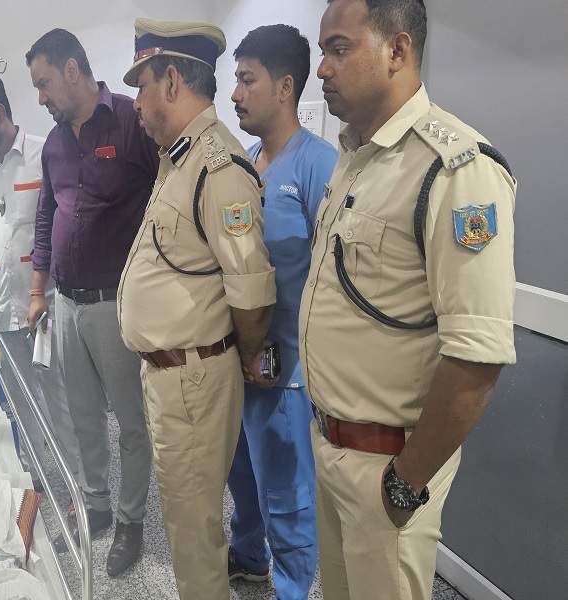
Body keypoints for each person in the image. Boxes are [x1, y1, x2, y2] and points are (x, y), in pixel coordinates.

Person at [302, 1, 516, 598]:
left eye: (339, 49)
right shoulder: (354, 157)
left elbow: (477, 355)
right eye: (322, 51)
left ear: (397, 50)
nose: (322, 68)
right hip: (330, 449)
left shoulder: (455, 170)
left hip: (386, 471)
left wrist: (404, 484)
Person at [118, 18, 277, 599]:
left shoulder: (217, 169)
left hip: (192, 377)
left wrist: (244, 354)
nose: (137, 103)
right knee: (188, 523)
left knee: (193, 534)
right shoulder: (179, 160)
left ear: (171, 81)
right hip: (174, 375)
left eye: (142, 87)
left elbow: (251, 294)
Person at [25, 27, 159, 577]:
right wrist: (38, 290)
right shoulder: (55, 143)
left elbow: (167, 197)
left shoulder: (130, 120)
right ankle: (97, 503)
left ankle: (131, 520)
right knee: (83, 414)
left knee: (131, 420)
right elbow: (46, 216)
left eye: (44, 83)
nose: (41, 97)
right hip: (65, 302)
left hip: (116, 303)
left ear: (72, 70)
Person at [224, 25, 338, 599]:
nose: (235, 94)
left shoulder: (320, 167)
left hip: (288, 373)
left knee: (287, 494)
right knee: (242, 476)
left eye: (247, 80)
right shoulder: (246, 166)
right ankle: (248, 556)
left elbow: (335, 285)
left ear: (286, 87)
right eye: (235, 80)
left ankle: (292, 588)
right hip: (240, 361)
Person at [0, 71, 82, 487]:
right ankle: (35, 477)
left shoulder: (45, 154)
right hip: (2, 306)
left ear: (0, 113)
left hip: (44, 304)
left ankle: (80, 486)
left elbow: (60, 230)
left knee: (59, 396)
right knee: (20, 397)